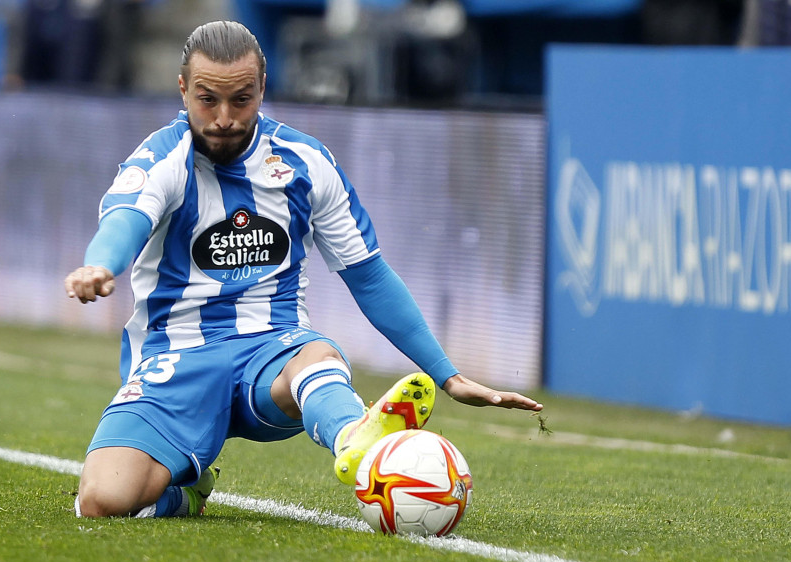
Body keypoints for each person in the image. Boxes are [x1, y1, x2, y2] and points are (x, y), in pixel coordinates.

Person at [64, 20, 543, 519]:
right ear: (183, 88)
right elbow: (125, 220)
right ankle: (184, 488)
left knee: (313, 354)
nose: (224, 117)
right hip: (176, 357)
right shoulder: (162, 160)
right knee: (100, 503)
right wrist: (101, 265)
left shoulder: (305, 163)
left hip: (272, 352)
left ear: (262, 90)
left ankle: (353, 439)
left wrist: (448, 376)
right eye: (208, 99)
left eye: (241, 100)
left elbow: (369, 275)